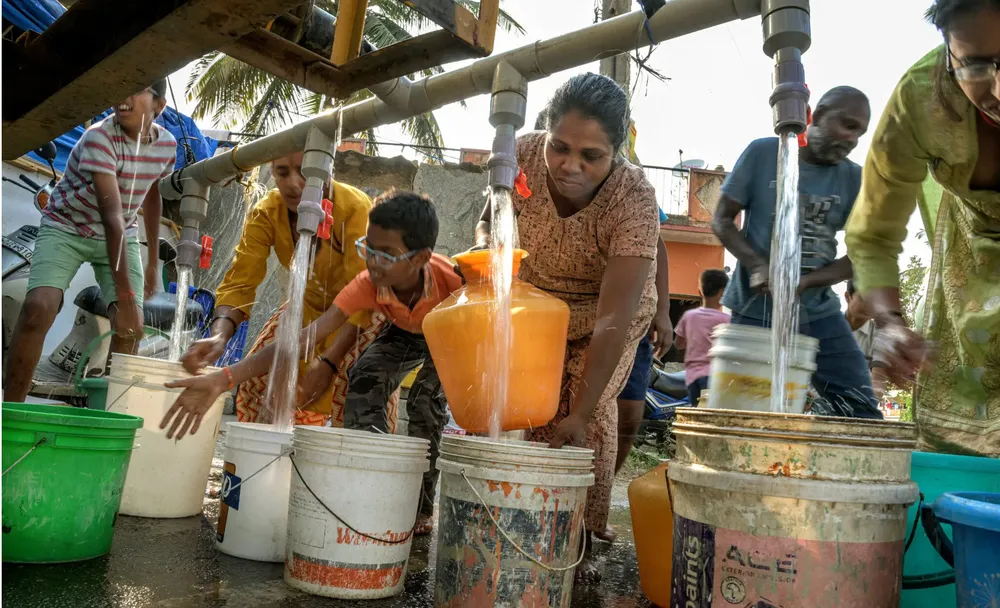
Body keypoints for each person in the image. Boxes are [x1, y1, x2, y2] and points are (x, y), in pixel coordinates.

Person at [161, 191, 460, 535]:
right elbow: (299, 342)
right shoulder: (368, 284)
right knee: (364, 376)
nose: (373, 262)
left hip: (449, 333)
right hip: (403, 331)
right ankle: (363, 484)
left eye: (387, 255)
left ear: (422, 257)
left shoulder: (451, 280)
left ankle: (422, 507)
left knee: (425, 401)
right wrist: (224, 378)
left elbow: (484, 313)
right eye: (369, 249)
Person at [475, 73, 661, 582]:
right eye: (561, 147)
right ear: (547, 134)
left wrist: (579, 408)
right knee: (529, 406)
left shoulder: (633, 199)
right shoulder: (520, 155)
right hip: (537, 298)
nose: (569, 165)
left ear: (616, 153)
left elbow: (613, 318)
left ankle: (575, 535)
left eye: (590, 155)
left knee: (587, 419)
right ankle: (522, 520)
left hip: (608, 312)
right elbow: (490, 222)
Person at [844, 0, 999, 455]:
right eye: (975, 65)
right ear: (948, 53)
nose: (998, 89)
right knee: (965, 431)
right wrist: (890, 322)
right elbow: (873, 232)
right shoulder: (921, 98)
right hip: (968, 262)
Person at [179, 152, 399, 430]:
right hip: (304, 308)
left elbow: (364, 296)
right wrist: (218, 337)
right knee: (256, 386)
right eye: (282, 172)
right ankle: (265, 460)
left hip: (362, 316)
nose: (294, 183)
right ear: (272, 172)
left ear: (327, 169)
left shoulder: (355, 208)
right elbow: (240, 283)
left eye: (304, 171)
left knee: (361, 393)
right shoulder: (267, 211)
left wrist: (328, 363)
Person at [711, 85, 882, 419]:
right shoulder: (763, 155)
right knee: (741, 411)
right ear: (816, 116)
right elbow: (721, 220)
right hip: (754, 308)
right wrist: (758, 266)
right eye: (846, 125)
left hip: (819, 312)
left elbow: (866, 252)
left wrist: (807, 281)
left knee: (860, 407)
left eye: (859, 133)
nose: (851, 139)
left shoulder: (853, 179)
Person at [4, 81, 175, 402]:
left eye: (135, 90)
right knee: (38, 307)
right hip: (67, 227)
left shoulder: (166, 146)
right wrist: (125, 291)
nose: (122, 97)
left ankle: (102, 415)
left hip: (122, 232)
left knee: (130, 328)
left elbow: (152, 194)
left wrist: (153, 261)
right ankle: (11, 413)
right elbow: (110, 216)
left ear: (159, 106)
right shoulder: (99, 137)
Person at [674, 269, 731, 406]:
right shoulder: (726, 320)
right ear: (723, 293)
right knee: (711, 415)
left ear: (699, 291)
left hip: (692, 377)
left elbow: (679, 344)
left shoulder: (689, 316)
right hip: (716, 376)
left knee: (696, 410)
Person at [844, 280, 887, 402]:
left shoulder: (880, 334)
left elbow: (878, 378)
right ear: (848, 297)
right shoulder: (827, 327)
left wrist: (864, 404)